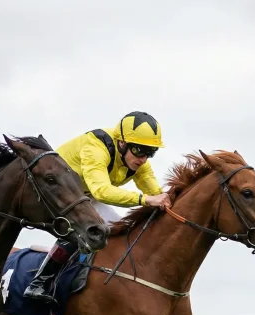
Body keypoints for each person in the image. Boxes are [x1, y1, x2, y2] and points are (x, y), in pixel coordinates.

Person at [23, 111, 172, 304]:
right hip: (51, 195)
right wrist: (145, 200)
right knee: (86, 225)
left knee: (120, 231)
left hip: (80, 197)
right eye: (139, 150)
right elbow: (101, 191)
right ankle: (39, 282)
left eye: (150, 152)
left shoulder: (139, 162)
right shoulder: (96, 148)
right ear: (122, 143)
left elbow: (157, 193)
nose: (143, 158)